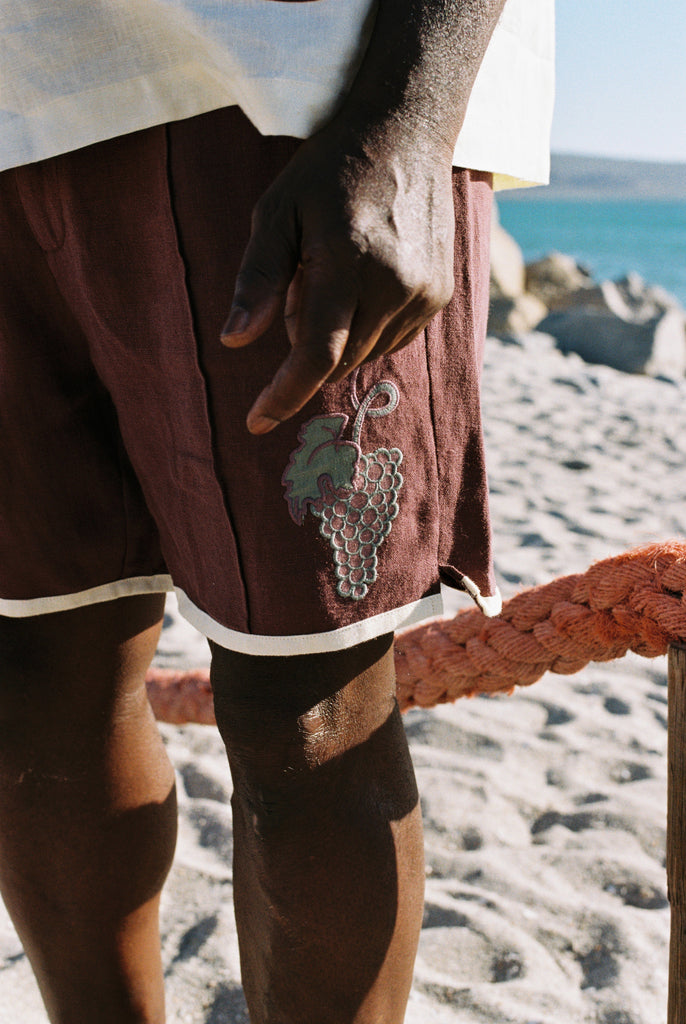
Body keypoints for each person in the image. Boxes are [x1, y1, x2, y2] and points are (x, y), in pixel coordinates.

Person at [0, 1, 554, 1021]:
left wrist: (406, 114)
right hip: (20, 98)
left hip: (289, 88)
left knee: (305, 708)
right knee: (35, 675)